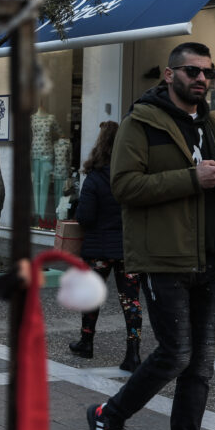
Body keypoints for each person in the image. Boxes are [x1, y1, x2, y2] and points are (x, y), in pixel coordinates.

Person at [87, 41, 215, 430]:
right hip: (162, 259)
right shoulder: (139, 123)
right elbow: (124, 186)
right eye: (193, 71)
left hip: (208, 258)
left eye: (208, 72)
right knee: (176, 354)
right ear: (169, 74)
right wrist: (192, 178)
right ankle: (109, 416)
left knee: (200, 367)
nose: (202, 79)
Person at [69, 121, 143, 372]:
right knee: (131, 301)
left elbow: (85, 217)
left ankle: (86, 343)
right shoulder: (134, 176)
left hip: (99, 250)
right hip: (128, 249)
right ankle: (133, 353)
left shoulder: (95, 178)